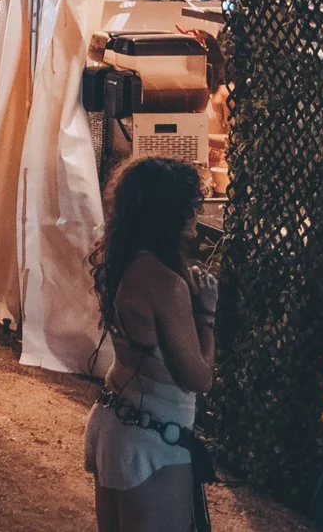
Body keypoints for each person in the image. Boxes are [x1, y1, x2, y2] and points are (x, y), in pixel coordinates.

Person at [87, 158, 218, 532]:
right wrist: (207, 315)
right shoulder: (165, 284)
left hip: (115, 424)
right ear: (168, 213)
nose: (195, 217)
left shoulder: (122, 260)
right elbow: (198, 378)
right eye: (190, 207)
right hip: (154, 441)